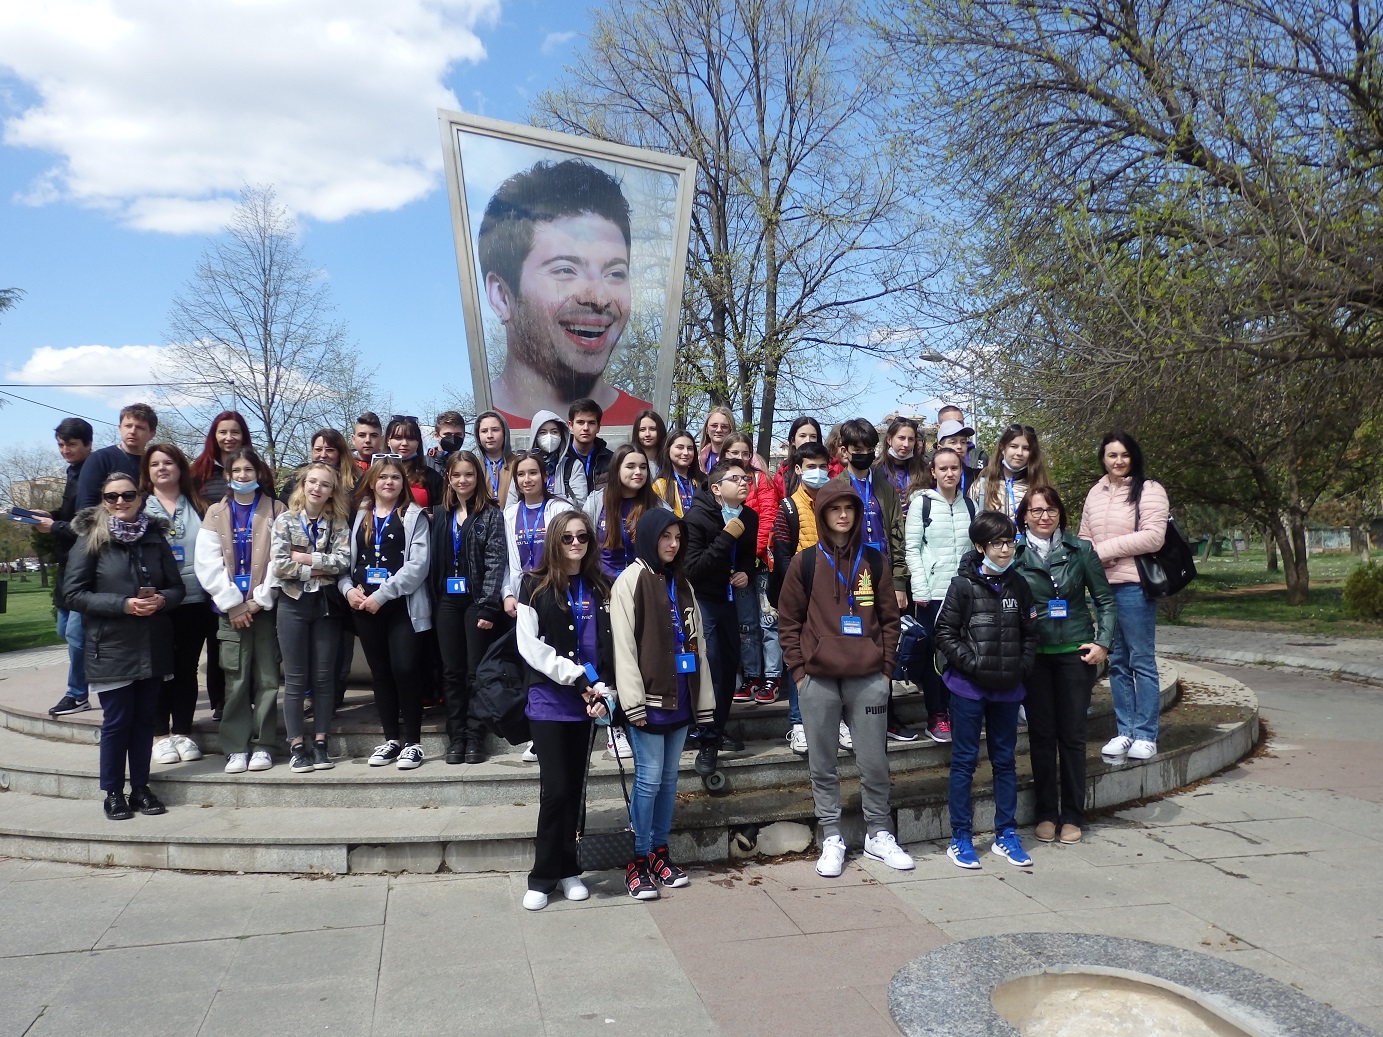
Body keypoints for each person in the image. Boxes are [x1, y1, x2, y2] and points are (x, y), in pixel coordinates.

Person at [776, 482, 913, 878]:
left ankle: (878, 833)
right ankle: (832, 835)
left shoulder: (874, 561)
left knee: (874, 762)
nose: (842, 515)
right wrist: (799, 673)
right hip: (817, 679)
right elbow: (788, 622)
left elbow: (890, 620)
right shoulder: (804, 562)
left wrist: (885, 671)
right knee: (822, 763)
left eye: (848, 508)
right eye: (833, 508)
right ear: (822, 514)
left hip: (867, 676)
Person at [480, 159, 650, 425]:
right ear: (501, 296)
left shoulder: (647, 425)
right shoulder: (479, 429)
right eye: (565, 270)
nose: (599, 298)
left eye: (615, 273)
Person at [65, 472, 185, 819]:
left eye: (128, 495)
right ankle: (113, 792)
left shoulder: (154, 536)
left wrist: (162, 599)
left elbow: (177, 587)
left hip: (151, 643)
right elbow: (72, 594)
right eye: (112, 496)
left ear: (140, 498)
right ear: (103, 501)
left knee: (145, 720)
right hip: (111, 645)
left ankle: (141, 788)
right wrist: (123, 605)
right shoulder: (91, 537)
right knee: (118, 721)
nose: (120, 502)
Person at [611, 509, 715, 900]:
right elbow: (623, 647)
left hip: (681, 696)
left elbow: (698, 641)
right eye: (665, 537)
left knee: (669, 779)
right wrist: (632, 702)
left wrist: (703, 698)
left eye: (678, 537)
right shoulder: (630, 580)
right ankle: (636, 859)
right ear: (649, 538)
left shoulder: (681, 581)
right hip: (649, 700)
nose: (673, 544)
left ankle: (659, 852)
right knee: (649, 779)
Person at [515, 510, 614, 910]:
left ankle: (570, 869)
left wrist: (602, 690)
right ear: (554, 541)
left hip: (587, 701)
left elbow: (607, 645)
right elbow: (531, 646)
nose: (575, 543)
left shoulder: (600, 585)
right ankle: (542, 877)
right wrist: (576, 677)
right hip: (549, 701)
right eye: (567, 537)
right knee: (555, 790)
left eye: (582, 537)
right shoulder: (533, 584)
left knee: (575, 789)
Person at [934, 510, 1038, 871]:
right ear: (980, 547)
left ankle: (1006, 833)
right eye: (997, 543)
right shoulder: (962, 586)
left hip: (1008, 689)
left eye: (1010, 542)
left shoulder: (1018, 585)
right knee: (964, 762)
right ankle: (960, 837)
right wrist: (974, 664)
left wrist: (1021, 667)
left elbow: (1030, 633)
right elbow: (944, 633)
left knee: (1005, 761)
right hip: (968, 688)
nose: (1005, 549)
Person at [1014, 487, 1115, 844]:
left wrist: (1103, 641)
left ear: (1060, 514)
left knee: (1072, 735)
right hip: (1036, 656)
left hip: (1076, 653)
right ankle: (1045, 812)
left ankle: (1073, 814)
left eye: (1051, 510)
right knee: (1041, 736)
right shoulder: (1014, 553)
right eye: (1036, 510)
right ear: (1024, 516)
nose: (1044, 517)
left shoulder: (1080, 550)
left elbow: (1104, 600)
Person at [1078, 431, 1169, 761]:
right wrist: (1093, 558)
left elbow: (1153, 537)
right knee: (1115, 661)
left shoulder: (1149, 489)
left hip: (1133, 586)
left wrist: (1103, 552)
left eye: (1124, 454)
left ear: (1134, 456)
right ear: (1103, 458)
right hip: (1102, 588)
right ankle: (1124, 731)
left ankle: (1146, 733)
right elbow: (1084, 537)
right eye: (1112, 455)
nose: (1118, 461)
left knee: (1140, 660)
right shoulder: (1095, 492)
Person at [194, 446, 285, 774]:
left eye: (249, 470)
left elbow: (280, 559)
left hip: (264, 609)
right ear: (227, 476)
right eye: (237, 471)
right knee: (235, 680)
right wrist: (233, 603)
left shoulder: (276, 509)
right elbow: (207, 562)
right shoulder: (215, 513)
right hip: (230, 612)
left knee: (267, 680)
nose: (243, 476)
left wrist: (259, 600)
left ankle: (263, 745)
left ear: (258, 473)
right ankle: (236, 747)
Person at [339, 458, 433, 769]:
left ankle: (413, 743)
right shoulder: (358, 515)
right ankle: (391, 739)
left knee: (405, 669)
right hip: (364, 606)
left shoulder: (413, 515)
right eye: (383, 477)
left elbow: (418, 566)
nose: (389, 482)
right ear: (372, 482)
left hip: (401, 606)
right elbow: (345, 563)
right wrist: (347, 590)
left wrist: (382, 595)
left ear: (403, 483)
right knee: (380, 674)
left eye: (395, 477)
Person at [270, 462, 352, 774]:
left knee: (323, 677)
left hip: (325, 605)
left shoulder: (338, 522)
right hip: (293, 603)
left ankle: (320, 742)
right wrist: (320, 567)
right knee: (295, 678)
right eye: (313, 482)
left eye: (325, 484)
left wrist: (305, 558)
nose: (317, 488)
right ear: (303, 485)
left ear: (332, 492)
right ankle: (296, 746)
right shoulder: (285, 520)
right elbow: (280, 566)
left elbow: (343, 562)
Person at [430, 451, 509, 766]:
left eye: (469, 474)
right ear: (449, 478)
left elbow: (495, 562)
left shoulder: (490, 514)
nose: (463, 480)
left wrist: (489, 607)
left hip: (477, 601)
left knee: (476, 671)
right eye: (457, 475)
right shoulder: (440, 514)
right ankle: (457, 736)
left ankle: (476, 735)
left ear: (478, 477)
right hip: (447, 601)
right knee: (452, 672)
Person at [682, 458, 758, 769]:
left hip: (729, 601)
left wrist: (745, 573)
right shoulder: (696, 518)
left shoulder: (749, 516)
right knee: (710, 667)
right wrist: (727, 536)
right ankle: (707, 741)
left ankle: (716, 729)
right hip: (703, 601)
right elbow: (693, 569)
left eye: (746, 479)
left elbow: (748, 558)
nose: (743, 483)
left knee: (728, 665)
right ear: (716, 488)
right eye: (735, 479)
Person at [140, 443, 209, 766]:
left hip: (195, 599)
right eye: (155, 464)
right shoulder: (140, 506)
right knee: (160, 668)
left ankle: (182, 731)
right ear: (147, 471)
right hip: (156, 602)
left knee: (186, 668)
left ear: (180, 467)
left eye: (168, 462)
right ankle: (159, 735)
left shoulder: (198, 504)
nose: (162, 468)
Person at [902, 447, 977, 743]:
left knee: (963, 654)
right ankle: (937, 715)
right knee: (935, 656)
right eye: (943, 468)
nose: (949, 473)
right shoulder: (921, 504)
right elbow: (912, 549)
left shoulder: (970, 505)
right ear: (933, 472)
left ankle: (959, 710)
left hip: (964, 594)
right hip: (932, 594)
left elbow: (975, 551)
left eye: (954, 468)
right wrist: (920, 589)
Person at [768, 441, 833, 756]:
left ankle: (835, 720)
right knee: (799, 658)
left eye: (822, 466)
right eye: (810, 467)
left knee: (832, 656)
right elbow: (782, 558)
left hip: (833, 595)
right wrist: (798, 593)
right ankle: (798, 724)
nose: (817, 472)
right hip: (801, 596)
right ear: (797, 469)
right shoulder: (788, 508)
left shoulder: (835, 504)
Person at [38, 417, 93, 717]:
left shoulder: (93, 473)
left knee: (76, 634)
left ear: (88, 444)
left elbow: (90, 524)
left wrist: (55, 526)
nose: (65, 450)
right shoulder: (72, 472)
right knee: (65, 630)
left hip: (84, 566)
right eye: (61, 445)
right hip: (66, 564)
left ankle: (77, 694)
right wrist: (48, 515)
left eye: (71, 444)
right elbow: (71, 513)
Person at [722, 433, 778, 706]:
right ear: (724, 454)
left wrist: (751, 553)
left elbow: (768, 517)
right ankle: (752, 675)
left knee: (769, 622)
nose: (740, 458)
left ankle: (772, 677)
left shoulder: (761, 479)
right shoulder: (720, 481)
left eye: (745, 453)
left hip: (761, 563)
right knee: (746, 624)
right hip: (738, 567)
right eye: (734, 453)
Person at [581, 443, 666, 582]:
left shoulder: (657, 505)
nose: (638, 472)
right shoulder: (596, 501)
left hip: (642, 583)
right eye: (630, 466)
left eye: (643, 467)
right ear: (616, 469)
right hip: (603, 582)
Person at [75, 402, 157, 510]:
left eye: (140, 427)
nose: (132, 431)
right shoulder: (100, 459)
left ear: (152, 434)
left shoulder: (156, 463)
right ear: (120, 428)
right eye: (128, 426)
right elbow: (86, 504)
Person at [970, 423, 1051, 526]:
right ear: (1002, 448)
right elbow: (970, 525)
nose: (1019, 453)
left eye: (1026, 448)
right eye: (1014, 446)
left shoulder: (1040, 485)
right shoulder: (982, 486)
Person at [514, 410, 588, 505]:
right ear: (535, 436)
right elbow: (512, 502)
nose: (549, 436)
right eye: (543, 432)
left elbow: (579, 502)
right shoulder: (522, 465)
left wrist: (551, 510)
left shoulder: (573, 466)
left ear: (561, 435)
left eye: (554, 432)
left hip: (563, 515)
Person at [190, 410, 252, 507]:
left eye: (235, 432)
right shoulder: (199, 471)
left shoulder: (259, 470)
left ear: (243, 436)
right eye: (223, 432)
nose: (229, 438)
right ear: (214, 436)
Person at [279, 428, 355, 504]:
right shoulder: (296, 480)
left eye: (329, 450)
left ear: (340, 454)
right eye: (318, 450)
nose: (323, 455)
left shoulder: (353, 484)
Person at [385, 415, 445, 510]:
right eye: (398, 437)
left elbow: (443, 513)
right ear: (388, 441)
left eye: (411, 438)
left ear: (418, 443)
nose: (404, 443)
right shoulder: (374, 474)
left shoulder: (432, 477)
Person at [877, 417, 925, 517]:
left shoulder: (923, 469)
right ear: (889, 440)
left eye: (911, 439)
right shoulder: (876, 470)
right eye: (901, 438)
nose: (906, 444)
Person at [566, 398, 615, 495]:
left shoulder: (612, 461)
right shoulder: (560, 459)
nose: (585, 428)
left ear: (598, 427)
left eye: (591, 423)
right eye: (580, 422)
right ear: (570, 425)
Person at [653, 429, 704, 517]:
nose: (686, 453)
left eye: (690, 448)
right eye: (680, 447)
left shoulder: (702, 482)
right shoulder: (659, 486)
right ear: (668, 450)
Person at [472, 410, 515, 501]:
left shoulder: (518, 464)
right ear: (478, 436)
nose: (490, 435)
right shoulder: (473, 466)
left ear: (504, 433)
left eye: (495, 430)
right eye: (484, 431)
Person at [934, 416, 980, 497]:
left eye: (963, 442)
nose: (959, 446)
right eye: (953, 442)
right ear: (940, 448)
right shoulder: (926, 480)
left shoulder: (976, 476)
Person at [424, 410, 467, 478]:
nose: (453, 438)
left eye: (457, 434)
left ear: (464, 436)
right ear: (436, 436)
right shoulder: (423, 464)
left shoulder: (469, 464)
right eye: (447, 434)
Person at [631, 409, 667, 477]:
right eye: (642, 429)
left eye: (652, 429)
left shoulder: (669, 462)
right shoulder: (628, 461)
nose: (647, 434)